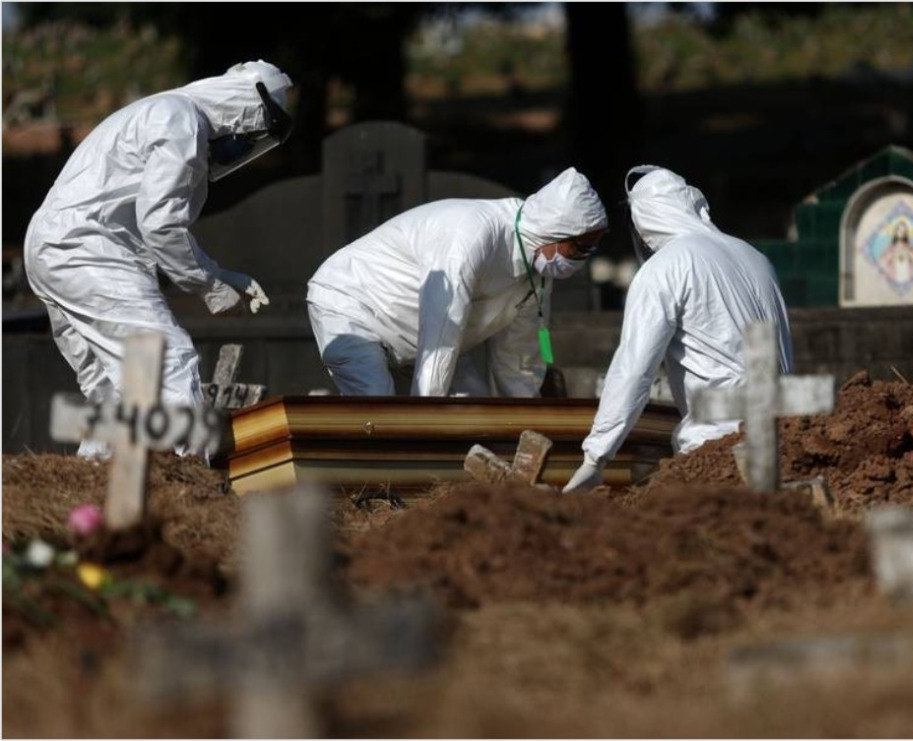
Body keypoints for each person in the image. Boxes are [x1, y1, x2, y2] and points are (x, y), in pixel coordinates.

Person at [24, 60, 291, 459]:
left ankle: (91, 495)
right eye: (253, 135)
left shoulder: (162, 111)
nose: (245, 147)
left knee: (112, 391)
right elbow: (162, 224)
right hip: (87, 249)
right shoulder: (180, 121)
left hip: (55, 248)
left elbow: (148, 227)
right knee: (166, 358)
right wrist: (211, 286)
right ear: (246, 108)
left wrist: (220, 273)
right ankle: (191, 486)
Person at [563, 166, 794, 492]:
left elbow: (634, 370)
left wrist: (596, 457)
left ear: (644, 222)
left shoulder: (667, 266)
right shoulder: (755, 257)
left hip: (718, 446)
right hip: (786, 436)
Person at [307, 167, 608, 397]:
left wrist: (528, 421)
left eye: (592, 247)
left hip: (418, 342)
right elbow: (443, 326)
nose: (584, 257)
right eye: (579, 247)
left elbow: (520, 352)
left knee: (474, 412)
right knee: (378, 408)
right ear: (552, 232)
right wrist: (428, 415)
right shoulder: (473, 235)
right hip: (354, 305)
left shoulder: (538, 274)